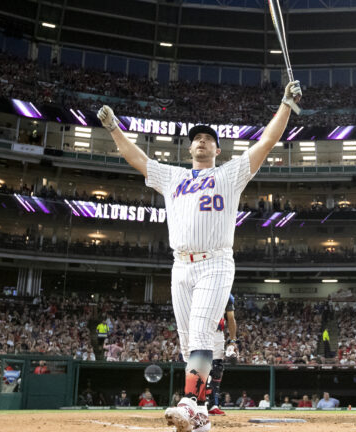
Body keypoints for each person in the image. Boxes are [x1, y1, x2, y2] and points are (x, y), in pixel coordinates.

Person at [99, 80, 302, 432]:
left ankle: (190, 402)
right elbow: (137, 158)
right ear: (189, 147)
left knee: (203, 332)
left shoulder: (230, 174)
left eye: (209, 138)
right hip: (181, 265)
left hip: (216, 261)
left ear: (217, 150)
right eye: (197, 137)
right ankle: (203, 412)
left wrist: (286, 104)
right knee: (186, 341)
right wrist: (114, 128)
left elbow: (267, 142)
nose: (202, 140)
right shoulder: (172, 176)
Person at [207, 294, 237, 416]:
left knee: (217, 369)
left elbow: (231, 318)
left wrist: (233, 340)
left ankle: (213, 404)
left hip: (218, 334)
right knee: (200, 367)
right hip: (201, 331)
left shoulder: (227, 295)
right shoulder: (199, 287)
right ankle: (198, 402)